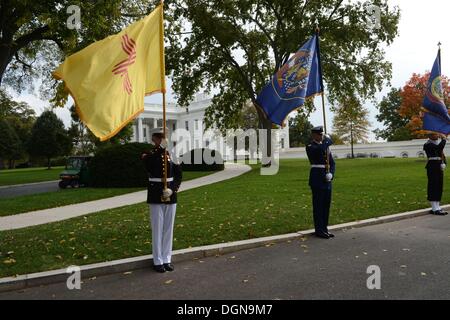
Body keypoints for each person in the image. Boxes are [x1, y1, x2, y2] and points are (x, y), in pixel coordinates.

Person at [141, 128, 182, 272]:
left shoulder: (173, 154)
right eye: (159, 137)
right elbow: (149, 166)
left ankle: (167, 258)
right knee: (157, 228)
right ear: (153, 139)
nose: (162, 139)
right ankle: (157, 260)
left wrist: (172, 189)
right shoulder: (148, 154)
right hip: (155, 193)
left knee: (168, 229)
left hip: (170, 194)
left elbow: (179, 175)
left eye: (164, 137)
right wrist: (161, 149)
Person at [305, 126, 336, 239]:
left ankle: (325, 228)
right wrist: (327, 141)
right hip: (317, 179)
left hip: (327, 180)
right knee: (318, 206)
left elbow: (332, 163)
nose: (321, 136)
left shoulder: (326, 147)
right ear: (313, 135)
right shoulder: (310, 146)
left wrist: (331, 174)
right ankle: (319, 230)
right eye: (319, 134)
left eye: (322, 134)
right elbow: (318, 150)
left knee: (326, 205)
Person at [423, 132, 448, 216]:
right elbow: (438, 148)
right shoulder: (427, 144)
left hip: (438, 166)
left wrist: (444, 163)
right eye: (435, 135)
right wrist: (444, 139)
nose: (437, 136)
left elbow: (442, 155)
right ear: (430, 136)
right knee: (433, 186)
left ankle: (438, 207)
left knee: (439, 185)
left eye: (437, 134)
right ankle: (434, 208)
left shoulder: (436, 143)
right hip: (432, 167)